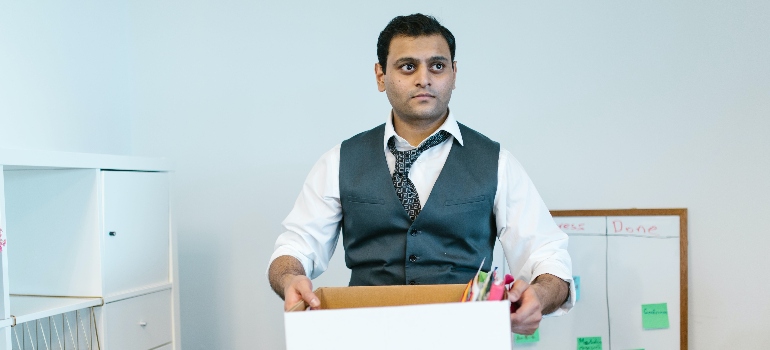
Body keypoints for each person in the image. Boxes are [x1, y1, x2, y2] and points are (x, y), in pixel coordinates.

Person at [268, 13, 574, 334]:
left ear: (454, 74)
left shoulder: (497, 161)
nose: (424, 79)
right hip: (364, 336)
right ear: (380, 75)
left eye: (437, 66)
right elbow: (296, 246)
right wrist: (290, 278)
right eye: (408, 66)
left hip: (467, 337)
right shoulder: (339, 161)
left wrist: (538, 296)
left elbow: (547, 254)